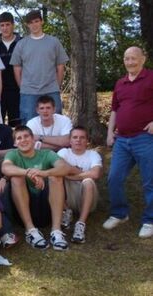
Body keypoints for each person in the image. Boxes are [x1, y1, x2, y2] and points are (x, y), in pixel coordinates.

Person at [104, 46, 153, 238]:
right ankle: (119, 213)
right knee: (114, 178)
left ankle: (150, 220)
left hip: (144, 138)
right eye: (127, 58)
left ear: (143, 59)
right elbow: (115, 110)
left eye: (134, 58)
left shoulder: (150, 78)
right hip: (122, 140)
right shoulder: (120, 83)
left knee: (150, 181)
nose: (130, 62)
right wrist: (109, 133)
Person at [2, 126, 77, 251]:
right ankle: (30, 230)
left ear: (33, 139)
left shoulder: (46, 153)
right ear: (15, 143)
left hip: (47, 206)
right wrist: (28, 173)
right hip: (23, 208)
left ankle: (56, 232)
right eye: (19, 138)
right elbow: (5, 168)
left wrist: (42, 173)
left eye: (26, 136)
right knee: (16, 178)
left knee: (56, 177)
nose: (23, 140)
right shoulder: (13, 154)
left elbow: (64, 168)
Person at [10, 10, 69, 124]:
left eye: (36, 21)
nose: (34, 25)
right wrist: (22, 86)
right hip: (28, 92)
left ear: (42, 22)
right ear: (27, 25)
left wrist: (57, 85)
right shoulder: (21, 44)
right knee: (29, 124)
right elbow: (17, 68)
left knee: (56, 122)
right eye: (31, 22)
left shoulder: (53, 42)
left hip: (51, 89)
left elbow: (60, 66)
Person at [57, 127, 102, 243]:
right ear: (70, 140)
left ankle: (81, 223)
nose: (78, 140)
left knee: (88, 181)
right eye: (75, 137)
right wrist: (84, 174)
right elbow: (59, 169)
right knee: (55, 177)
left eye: (82, 137)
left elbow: (95, 174)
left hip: (86, 197)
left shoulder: (93, 154)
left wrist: (72, 175)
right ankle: (66, 211)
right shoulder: (63, 152)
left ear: (87, 140)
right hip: (68, 196)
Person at [0, 12, 22, 127]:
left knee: (17, 124)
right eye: (2, 25)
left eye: (7, 25)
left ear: (13, 25)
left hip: (18, 90)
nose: (5, 28)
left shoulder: (22, 43)